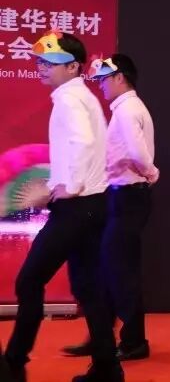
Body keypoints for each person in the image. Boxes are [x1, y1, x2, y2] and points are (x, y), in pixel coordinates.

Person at [2, 30, 124, 381]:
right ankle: (107, 368)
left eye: (50, 62)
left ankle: (14, 363)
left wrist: (67, 187)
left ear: (73, 67)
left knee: (30, 280)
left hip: (77, 209)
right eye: (40, 61)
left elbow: (83, 143)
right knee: (87, 286)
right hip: (94, 205)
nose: (42, 66)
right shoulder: (82, 98)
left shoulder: (70, 100)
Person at [62, 54, 158, 361]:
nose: (101, 85)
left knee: (120, 271)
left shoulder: (128, 110)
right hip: (119, 196)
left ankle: (133, 342)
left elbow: (138, 154)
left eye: (104, 79)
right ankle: (102, 337)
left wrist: (151, 171)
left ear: (120, 78)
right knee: (107, 269)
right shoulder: (124, 108)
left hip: (129, 197)